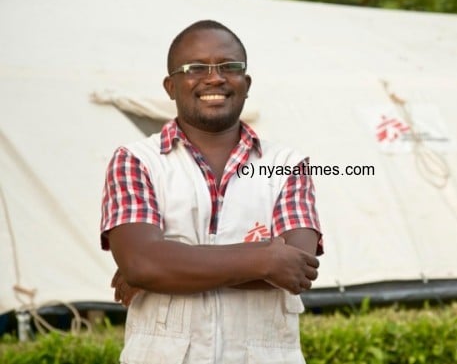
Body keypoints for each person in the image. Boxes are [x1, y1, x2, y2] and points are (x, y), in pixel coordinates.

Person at [100, 19, 323, 364]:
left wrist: (169, 267)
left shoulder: (288, 164)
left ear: (246, 83)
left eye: (229, 66)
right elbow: (142, 264)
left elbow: (296, 269)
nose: (214, 77)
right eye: (195, 68)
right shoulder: (135, 161)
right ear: (170, 86)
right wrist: (264, 258)